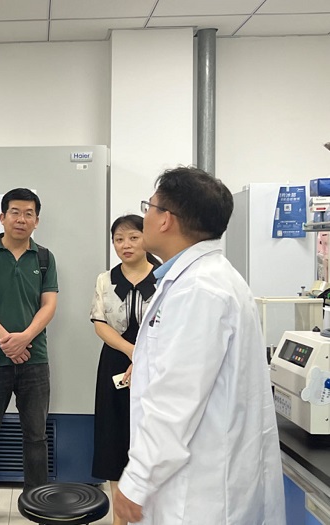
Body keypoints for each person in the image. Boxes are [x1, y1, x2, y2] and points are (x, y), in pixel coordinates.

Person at [114, 167, 284, 524]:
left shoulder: (199, 290)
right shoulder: (202, 279)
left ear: (166, 219)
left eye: (149, 207)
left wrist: (137, 480)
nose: (146, 216)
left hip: (198, 494)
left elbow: (175, 400)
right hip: (203, 480)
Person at [0, 188, 59, 525]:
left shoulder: (45, 258)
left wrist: (24, 338)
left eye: (29, 213)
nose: (22, 219)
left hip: (35, 360)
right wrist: (6, 341)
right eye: (15, 212)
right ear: (2, 217)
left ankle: (38, 501)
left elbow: (49, 305)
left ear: (37, 220)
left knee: (36, 435)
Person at [89, 214, 157, 525]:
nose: (125, 245)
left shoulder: (164, 278)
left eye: (133, 237)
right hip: (116, 363)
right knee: (114, 436)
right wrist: (132, 352)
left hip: (156, 363)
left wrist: (143, 357)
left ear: (147, 238)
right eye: (119, 239)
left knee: (149, 435)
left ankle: (150, 512)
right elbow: (99, 323)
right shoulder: (106, 280)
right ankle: (120, 518)